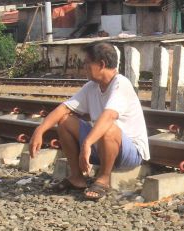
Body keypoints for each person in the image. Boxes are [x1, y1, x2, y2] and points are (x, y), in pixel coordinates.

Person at [29, 41, 150, 200]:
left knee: (108, 127)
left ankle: (103, 179)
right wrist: (40, 130)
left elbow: (109, 117)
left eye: (86, 63)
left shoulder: (121, 84)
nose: (83, 67)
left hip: (130, 154)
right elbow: (64, 108)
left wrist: (86, 143)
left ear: (101, 64)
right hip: (101, 146)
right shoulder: (91, 87)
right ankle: (77, 178)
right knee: (65, 121)